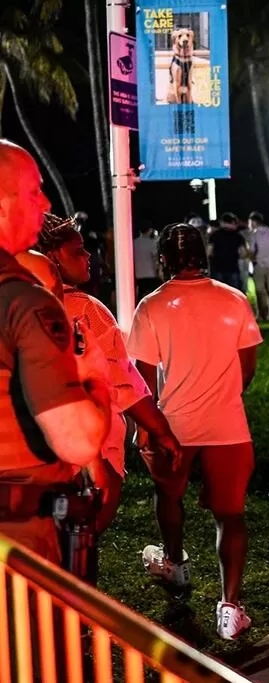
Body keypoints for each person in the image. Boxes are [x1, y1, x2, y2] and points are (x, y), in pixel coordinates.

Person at [127, 223, 263, 640]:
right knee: (230, 514)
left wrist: (146, 427)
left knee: (168, 495)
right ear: (203, 255)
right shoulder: (234, 299)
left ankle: (175, 563)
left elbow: (142, 381)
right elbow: (247, 371)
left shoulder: (151, 306)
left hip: (174, 425)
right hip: (228, 424)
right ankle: (230, 606)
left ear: (163, 258)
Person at [0, 140, 111, 564]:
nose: (45, 203)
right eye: (34, 191)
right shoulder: (23, 301)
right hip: (19, 544)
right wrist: (96, 382)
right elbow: (76, 440)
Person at [37, 214, 181, 536]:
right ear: (51, 259)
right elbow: (123, 381)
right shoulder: (87, 312)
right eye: (78, 251)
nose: (89, 256)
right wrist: (160, 430)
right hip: (90, 458)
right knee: (79, 551)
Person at [208, 212, 246, 291]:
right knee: (233, 293)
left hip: (217, 268)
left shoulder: (214, 235)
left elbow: (208, 252)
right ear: (232, 222)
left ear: (222, 222)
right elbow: (243, 253)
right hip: (233, 268)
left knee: (219, 294)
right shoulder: (238, 236)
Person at [134, 223, 161, 299]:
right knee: (154, 295)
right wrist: (158, 270)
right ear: (149, 230)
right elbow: (155, 258)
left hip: (138, 274)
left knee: (140, 294)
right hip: (151, 274)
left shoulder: (134, 243)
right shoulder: (151, 243)